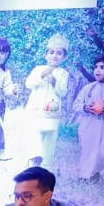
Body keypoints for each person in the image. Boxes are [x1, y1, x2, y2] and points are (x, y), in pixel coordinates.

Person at [70, 53, 104, 182]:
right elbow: (76, 105)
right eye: (96, 67)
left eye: (102, 67)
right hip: (89, 124)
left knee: (103, 152)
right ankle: (84, 176)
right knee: (88, 149)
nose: (97, 70)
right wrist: (85, 108)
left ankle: (95, 172)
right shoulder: (88, 88)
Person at [22, 34, 71, 168]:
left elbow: (63, 92)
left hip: (52, 114)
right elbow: (28, 84)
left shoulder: (63, 74)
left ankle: (45, 169)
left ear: (64, 57)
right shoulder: (38, 69)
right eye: (51, 52)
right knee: (34, 139)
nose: (55, 56)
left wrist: (54, 82)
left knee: (49, 145)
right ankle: (33, 162)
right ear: (46, 55)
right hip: (35, 112)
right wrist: (41, 75)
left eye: (59, 53)